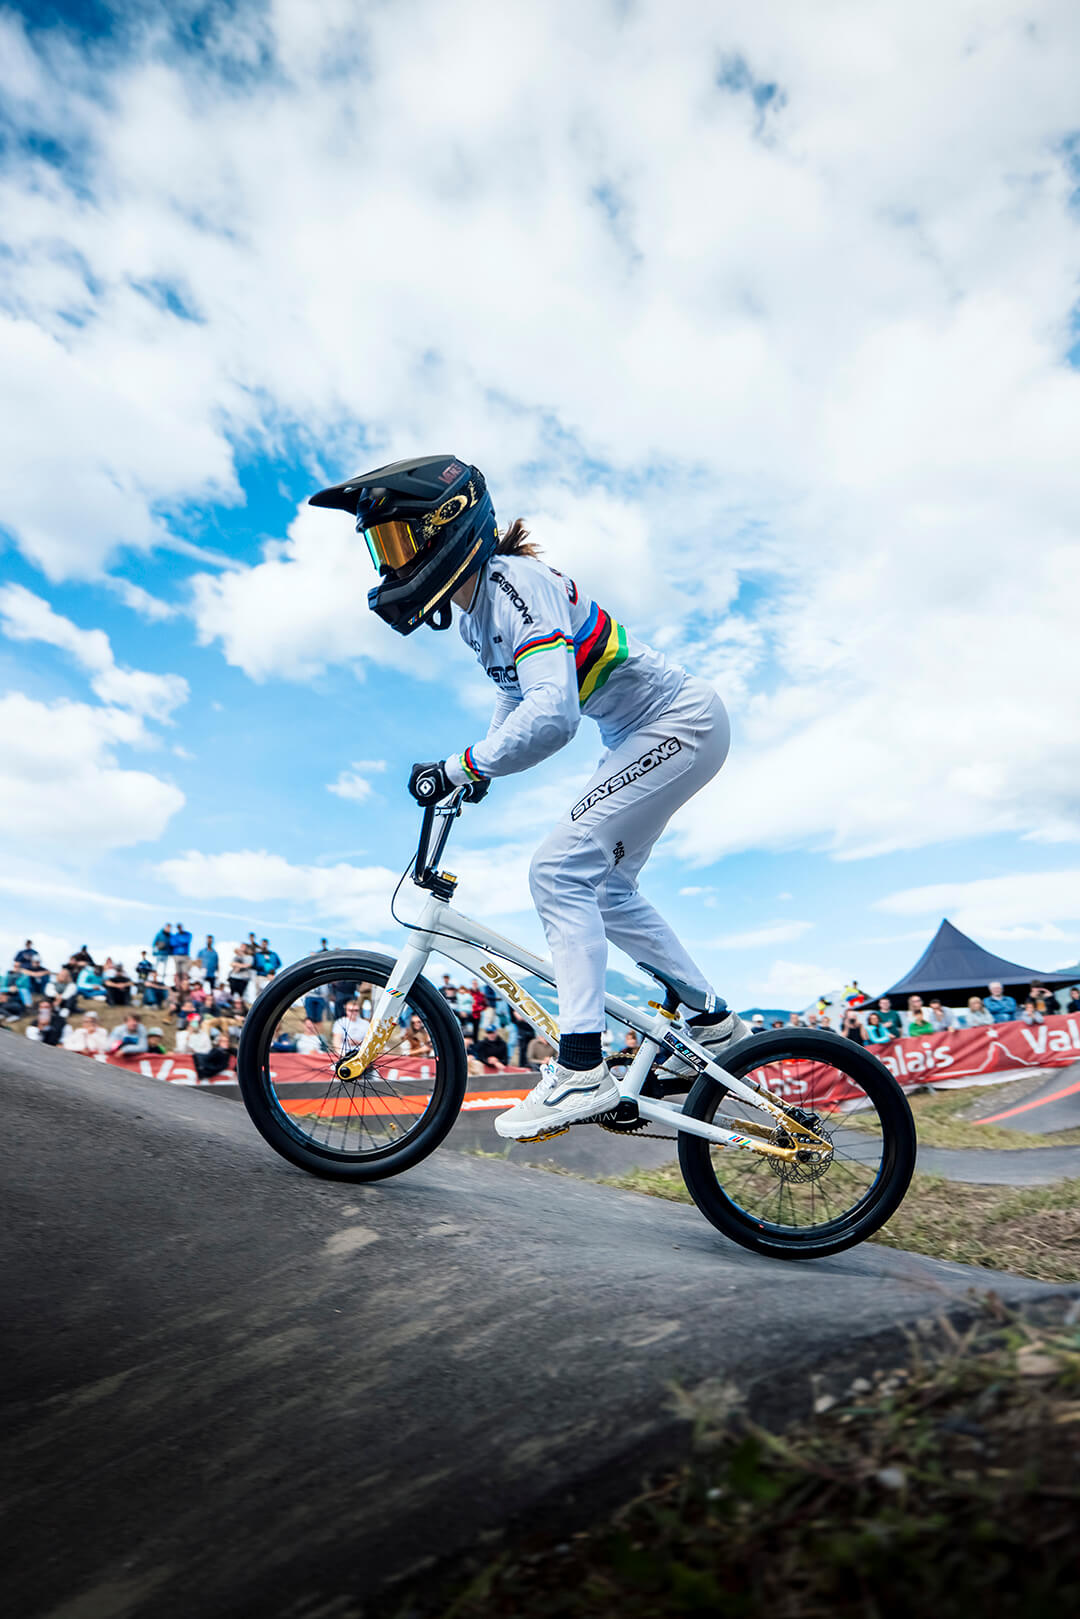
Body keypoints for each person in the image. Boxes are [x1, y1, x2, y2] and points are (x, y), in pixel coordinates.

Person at [311, 455, 744, 1142]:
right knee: (603, 890)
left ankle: (580, 1066)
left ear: (444, 527)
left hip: (674, 725)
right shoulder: (477, 613)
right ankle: (711, 1021)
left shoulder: (513, 585)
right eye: (381, 550)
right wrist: (472, 771)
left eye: (396, 542)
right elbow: (513, 698)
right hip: (651, 732)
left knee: (555, 869)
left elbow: (552, 714)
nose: (389, 565)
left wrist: (461, 764)